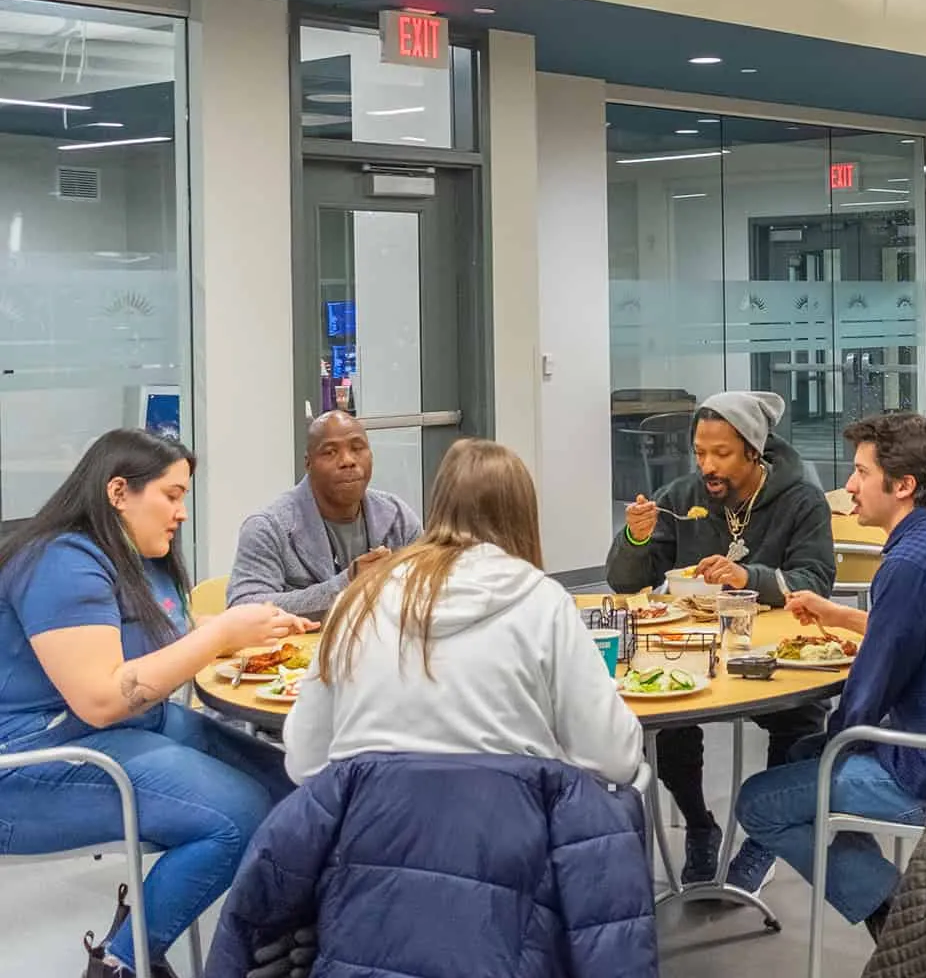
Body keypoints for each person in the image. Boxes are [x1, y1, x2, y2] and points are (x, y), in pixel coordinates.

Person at [0, 429, 314, 978]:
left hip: (117, 730)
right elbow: (100, 699)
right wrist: (219, 637)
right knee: (238, 816)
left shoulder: (133, 555)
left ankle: (259, 936)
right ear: (119, 492)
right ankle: (120, 963)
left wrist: (247, 630)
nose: (182, 513)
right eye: (172, 495)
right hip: (36, 761)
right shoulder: (62, 562)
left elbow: (165, 634)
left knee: (293, 791)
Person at [736, 413, 926, 942]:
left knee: (759, 801)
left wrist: (836, 744)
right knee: (801, 754)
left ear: (902, 486)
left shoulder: (907, 565)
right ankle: (897, 906)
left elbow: (865, 698)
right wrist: (842, 617)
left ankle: (905, 922)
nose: (849, 487)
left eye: (860, 472)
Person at [284, 437, 643, 787]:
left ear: (437, 505)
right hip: (511, 837)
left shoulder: (360, 601)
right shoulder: (544, 604)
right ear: (525, 517)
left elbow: (305, 762)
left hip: (371, 837)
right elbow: (615, 761)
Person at [606, 390, 835, 893]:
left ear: (755, 449)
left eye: (722, 454)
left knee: (799, 720)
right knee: (663, 723)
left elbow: (815, 580)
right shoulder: (683, 498)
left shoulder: (801, 499)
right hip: (687, 644)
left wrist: (746, 576)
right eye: (700, 452)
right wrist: (638, 538)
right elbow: (624, 583)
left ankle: (764, 839)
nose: (708, 466)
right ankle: (699, 823)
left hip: (768, 647)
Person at [227, 411, 422, 620]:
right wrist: (346, 584)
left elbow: (431, 586)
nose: (348, 461)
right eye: (330, 452)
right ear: (308, 463)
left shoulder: (398, 517)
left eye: (357, 448)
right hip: (301, 650)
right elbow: (244, 607)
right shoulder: (269, 528)